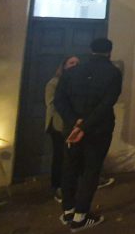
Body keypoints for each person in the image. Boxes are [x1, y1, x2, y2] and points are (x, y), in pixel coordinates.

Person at [55, 38, 122, 232]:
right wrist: (85, 126)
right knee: (91, 171)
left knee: (69, 168)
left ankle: (68, 210)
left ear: (91, 50)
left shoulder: (72, 72)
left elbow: (59, 100)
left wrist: (74, 122)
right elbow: (107, 103)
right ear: (109, 52)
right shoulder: (113, 73)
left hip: (73, 129)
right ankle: (80, 216)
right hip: (98, 129)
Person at [45, 55, 80, 203]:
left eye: (77, 63)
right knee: (60, 155)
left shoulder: (77, 82)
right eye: (71, 63)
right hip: (58, 124)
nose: (75, 65)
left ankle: (70, 183)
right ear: (64, 66)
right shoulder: (54, 83)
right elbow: (52, 103)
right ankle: (57, 186)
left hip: (72, 124)